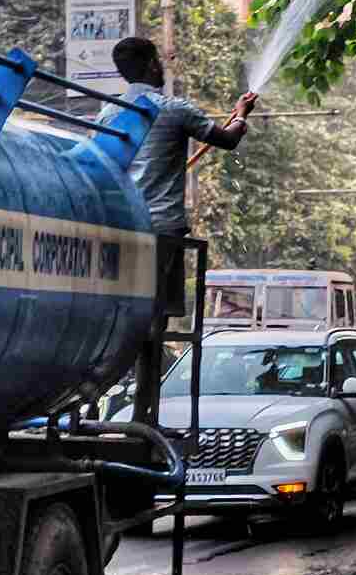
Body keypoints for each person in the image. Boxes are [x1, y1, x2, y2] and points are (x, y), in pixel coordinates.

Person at [98, 36, 257, 419]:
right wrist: (240, 113)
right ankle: (144, 411)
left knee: (128, 320)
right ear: (152, 65)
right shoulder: (171, 110)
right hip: (163, 231)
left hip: (122, 229)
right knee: (157, 323)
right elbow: (228, 140)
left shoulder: (108, 114)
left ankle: (116, 405)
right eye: (159, 60)